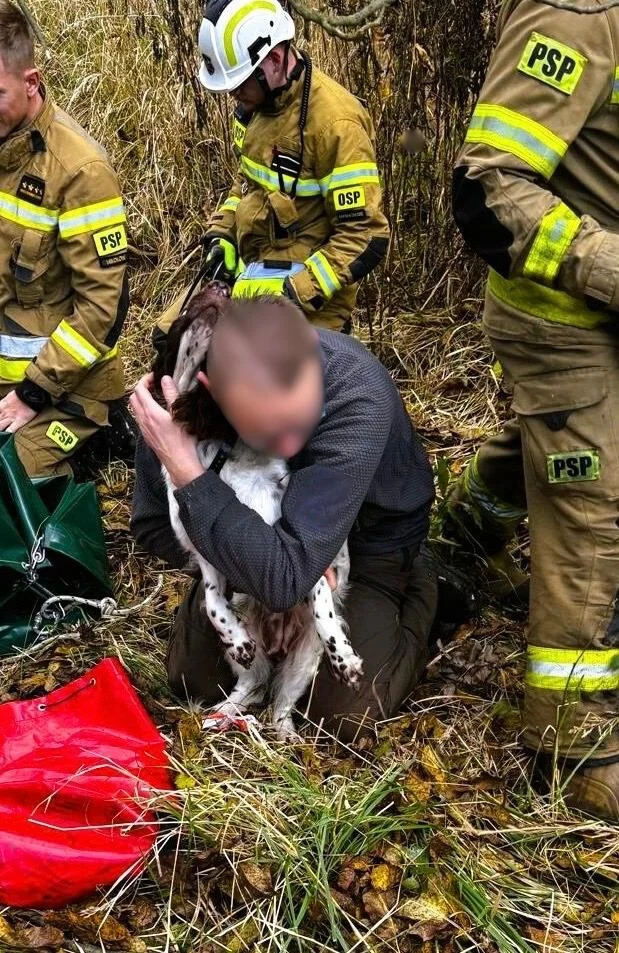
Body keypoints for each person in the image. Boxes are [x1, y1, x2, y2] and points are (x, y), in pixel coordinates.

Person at [452, 0, 619, 819]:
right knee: (591, 504)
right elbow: (486, 187)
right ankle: (571, 744)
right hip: (560, 319)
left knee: (551, 447)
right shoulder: (574, 12)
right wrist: (607, 266)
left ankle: (461, 537)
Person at [131, 295, 437, 743]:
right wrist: (184, 471)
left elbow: (286, 584)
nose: (291, 433)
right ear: (216, 391)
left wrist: (194, 480)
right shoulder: (183, 408)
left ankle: (425, 587)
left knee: (340, 717)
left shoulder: (356, 392)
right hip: (259, 549)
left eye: (302, 406)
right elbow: (152, 526)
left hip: (367, 544)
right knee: (194, 684)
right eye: (269, 422)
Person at [0, 0, 129, 478]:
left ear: (31, 82)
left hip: (69, 392)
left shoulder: (79, 171)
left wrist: (32, 393)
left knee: (1, 489)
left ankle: (100, 444)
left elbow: (102, 308)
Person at [153, 0, 389, 354]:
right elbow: (246, 183)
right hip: (252, 271)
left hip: (308, 297)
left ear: (275, 60)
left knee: (231, 364)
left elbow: (363, 233)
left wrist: (294, 291)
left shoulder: (335, 125)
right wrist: (222, 236)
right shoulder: (256, 106)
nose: (232, 93)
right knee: (169, 337)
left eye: (239, 82)